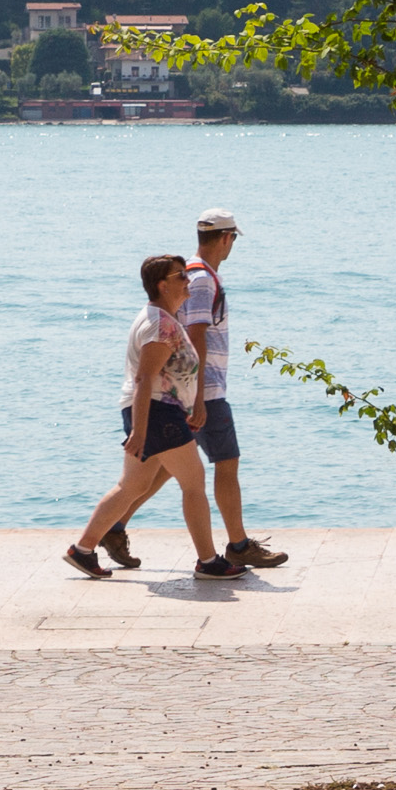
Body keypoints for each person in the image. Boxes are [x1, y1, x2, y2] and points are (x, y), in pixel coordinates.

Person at [65, 254, 238, 580]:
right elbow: (145, 378)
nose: (188, 281)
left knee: (132, 485)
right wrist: (141, 431)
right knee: (194, 481)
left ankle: (83, 550)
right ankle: (208, 561)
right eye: (180, 276)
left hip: (160, 412)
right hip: (157, 413)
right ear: (162, 284)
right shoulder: (159, 325)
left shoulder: (163, 319)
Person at [182, 208, 288, 570]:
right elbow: (196, 335)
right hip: (205, 391)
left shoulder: (194, 275)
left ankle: (113, 529)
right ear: (226, 239)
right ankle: (239, 545)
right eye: (234, 239)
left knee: (159, 469)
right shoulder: (202, 280)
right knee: (227, 462)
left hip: (191, 389)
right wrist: (199, 398)